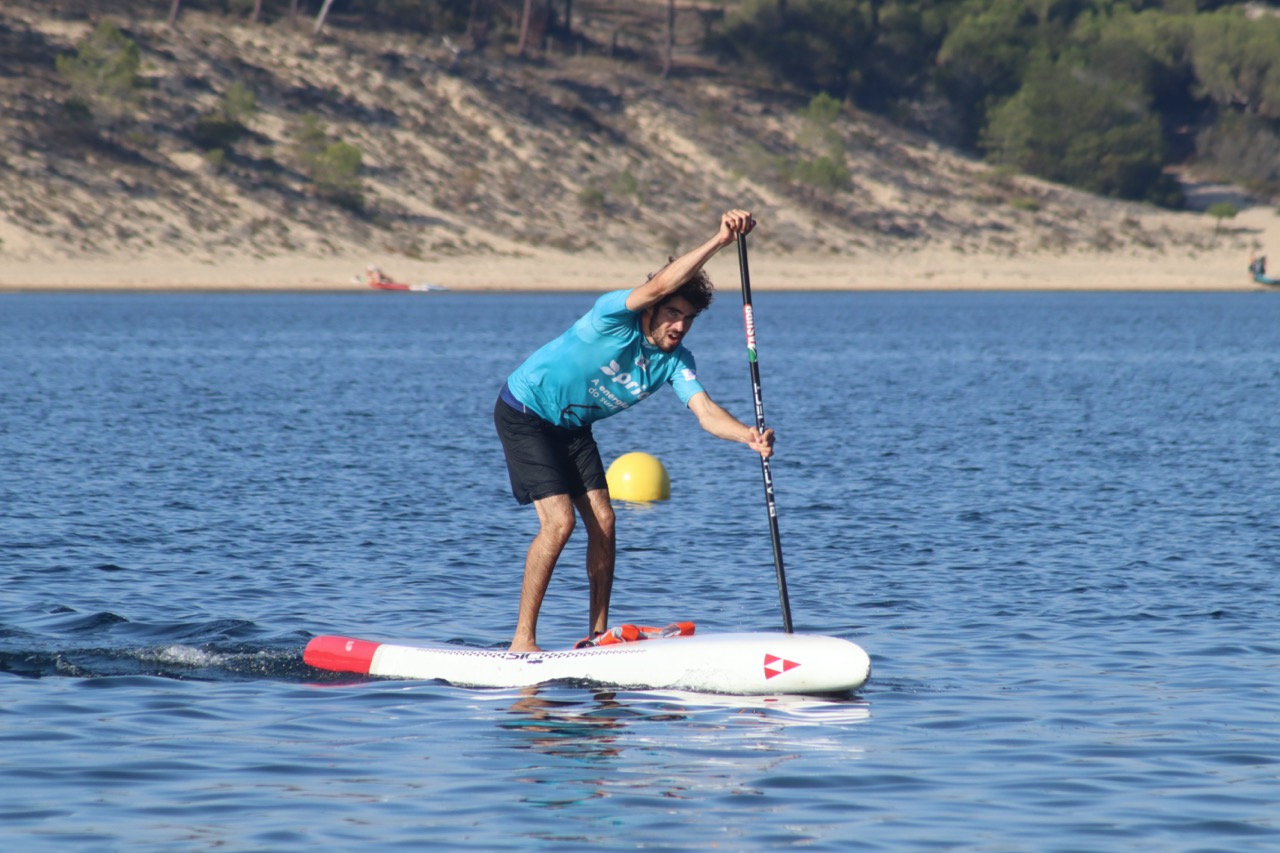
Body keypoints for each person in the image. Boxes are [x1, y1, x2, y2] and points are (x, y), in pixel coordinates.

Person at [494, 209, 774, 652]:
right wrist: (719, 241)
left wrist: (748, 436)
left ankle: (596, 637)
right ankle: (522, 641)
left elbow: (705, 412)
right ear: (653, 308)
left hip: (572, 425)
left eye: (688, 319)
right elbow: (662, 283)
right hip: (526, 411)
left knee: (604, 520)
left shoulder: (674, 362)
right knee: (560, 523)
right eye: (673, 314)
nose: (680, 326)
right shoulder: (611, 316)